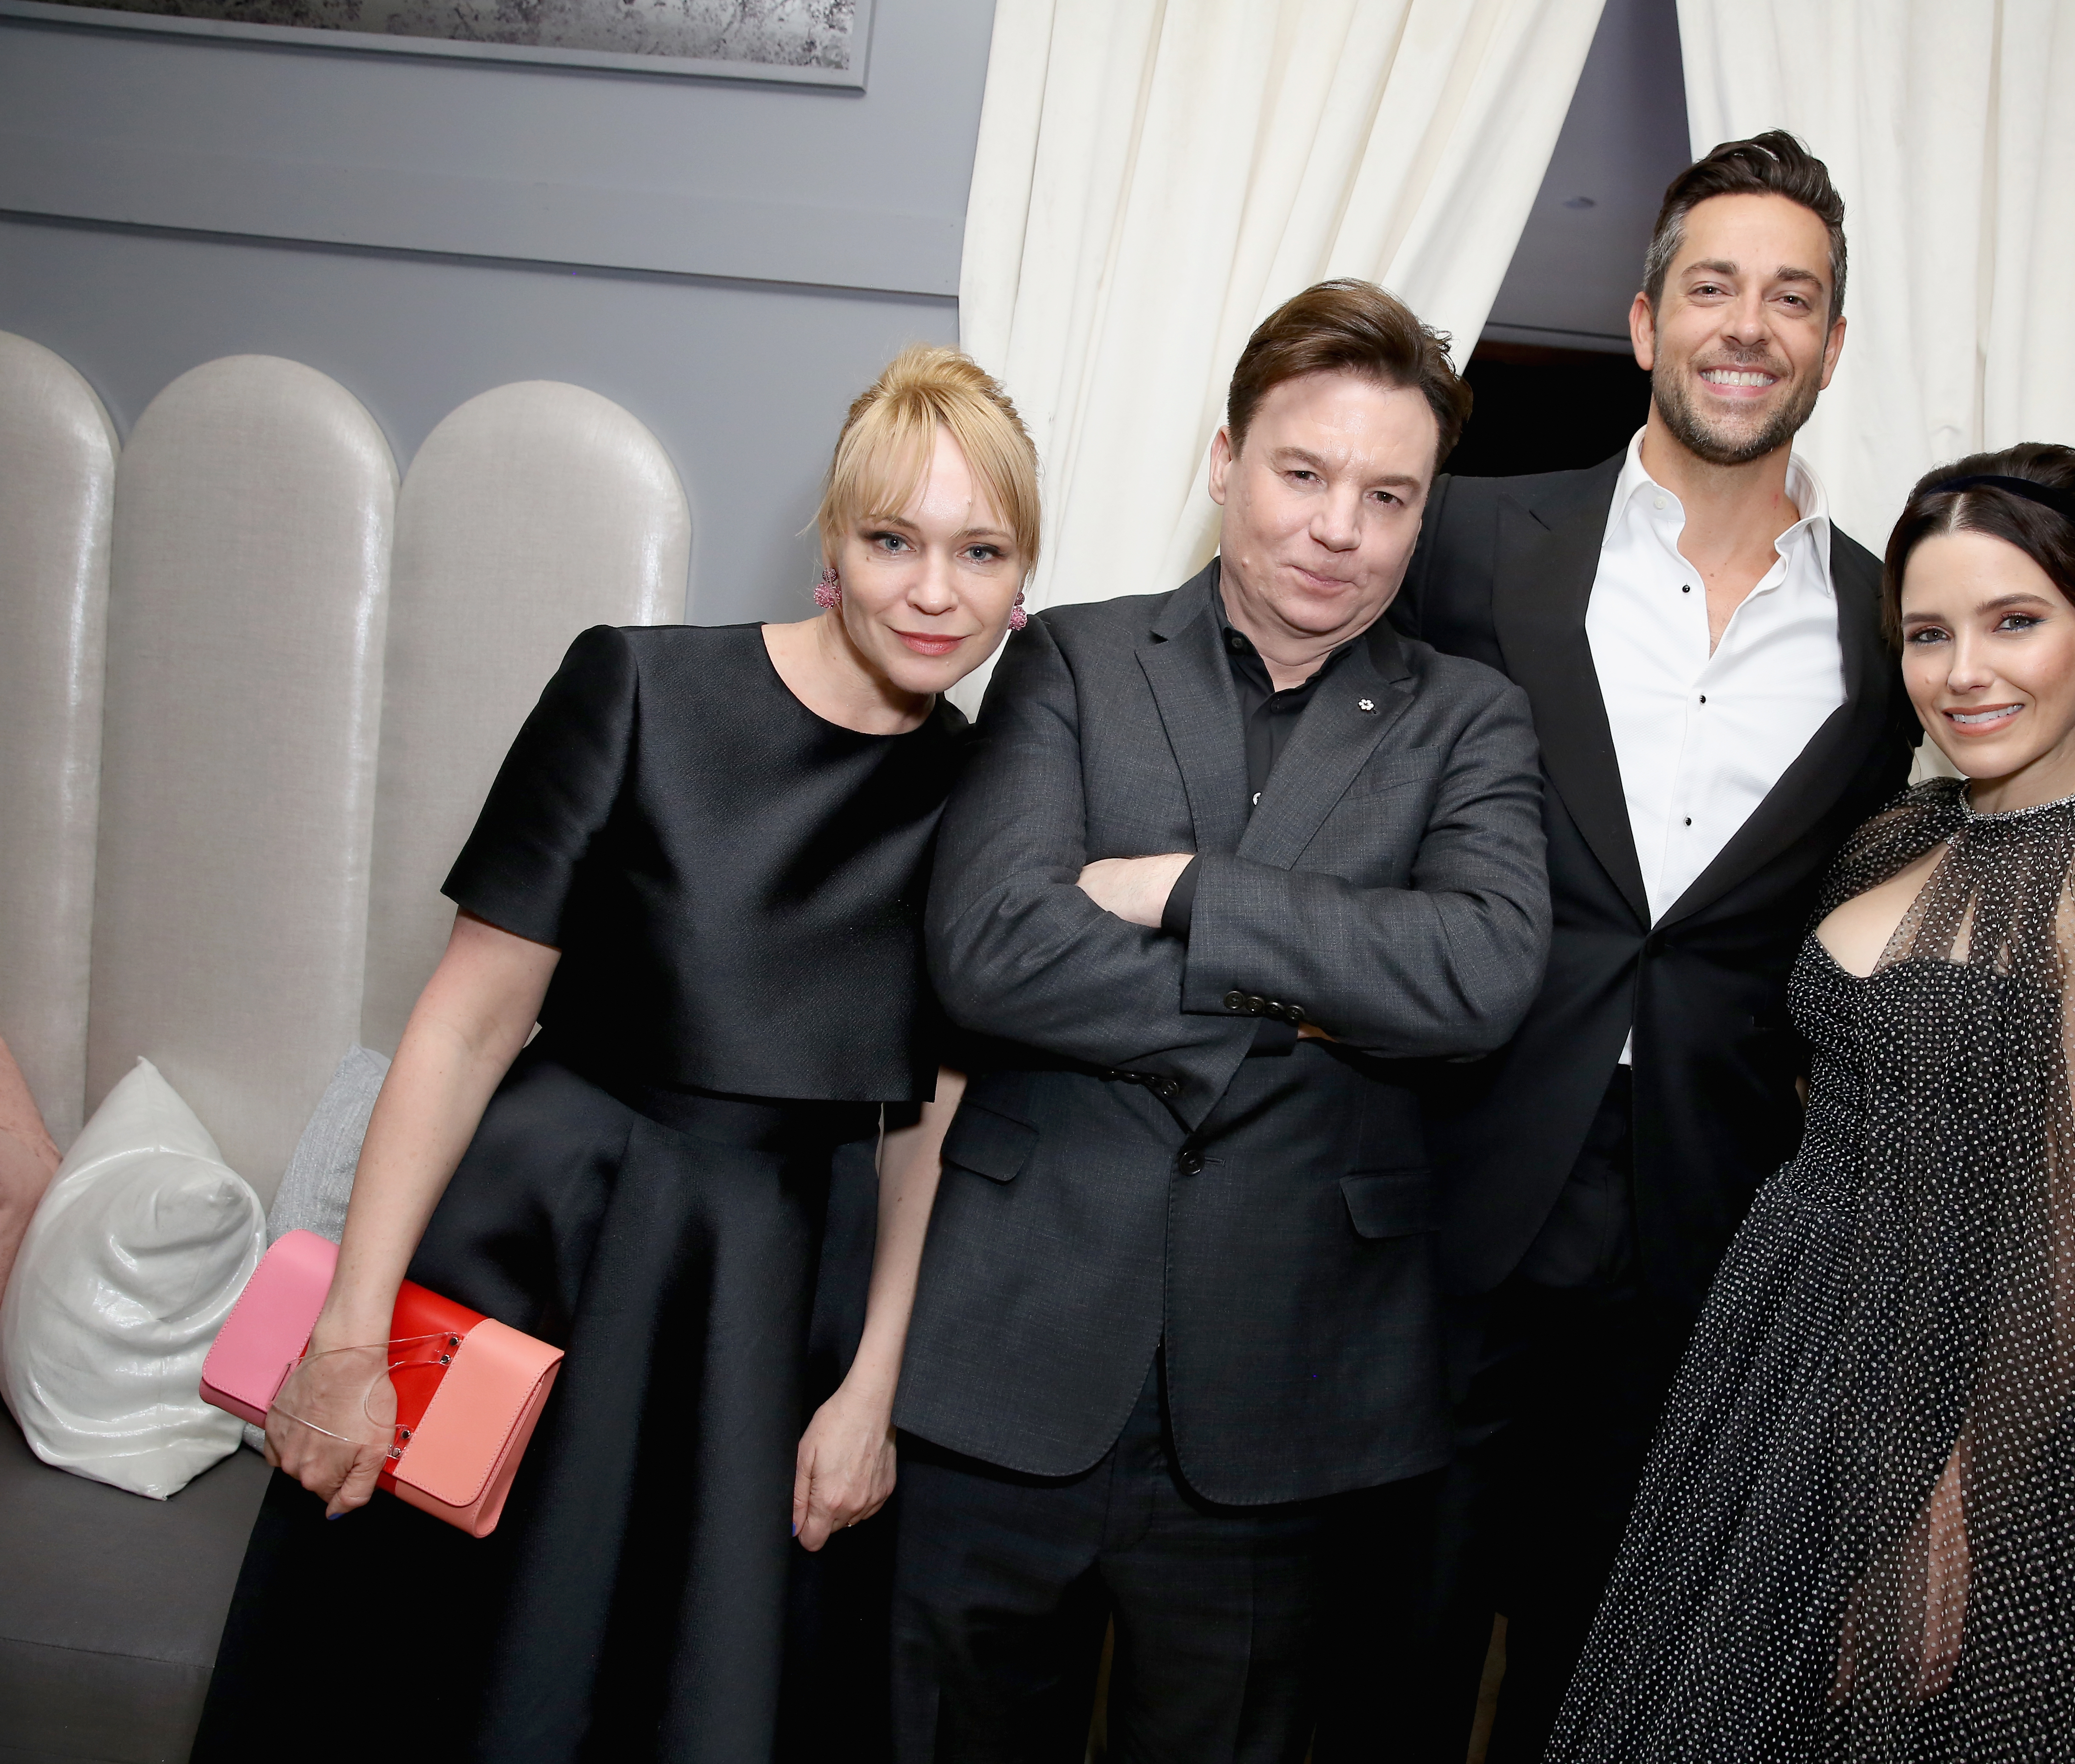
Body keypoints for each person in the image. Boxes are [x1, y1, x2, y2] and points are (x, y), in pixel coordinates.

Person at [192, 343, 1035, 1762]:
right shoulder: (638, 689)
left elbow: (931, 1124)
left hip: (777, 1305)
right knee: (436, 1682)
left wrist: (874, 1387)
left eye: (981, 550)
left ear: (1027, 574)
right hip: (551, 1248)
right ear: (831, 542)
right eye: (894, 539)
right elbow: (463, 1028)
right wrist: (349, 1336)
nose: (934, 590)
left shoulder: (991, 798)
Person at [888, 279, 1551, 1763]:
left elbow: (1482, 973)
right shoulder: (1072, 656)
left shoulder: (1472, 722)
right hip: (1013, 1348)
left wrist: (1190, 891)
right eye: (1305, 474)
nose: (1339, 528)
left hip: (1291, 1390)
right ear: (1225, 461)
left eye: (1389, 496)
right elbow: (990, 948)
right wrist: (1297, 1014)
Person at [1352, 132, 1916, 1761]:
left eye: (1791, 299)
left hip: (1705, 1248)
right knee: (1385, 1668)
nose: (1750, 326)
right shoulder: (1462, 540)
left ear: (1830, 347)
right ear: (1644, 317)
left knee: (1603, 1703)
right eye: (1716, 288)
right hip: (1442, 1207)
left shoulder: (1891, 636)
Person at [1549, 444, 2075, 1761]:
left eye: (2015, 622)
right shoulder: (1898, 835)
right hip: (1775, 1366)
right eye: (1930, 634)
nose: (1964, 672)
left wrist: (1949, 1522)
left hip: (1952, 1412)